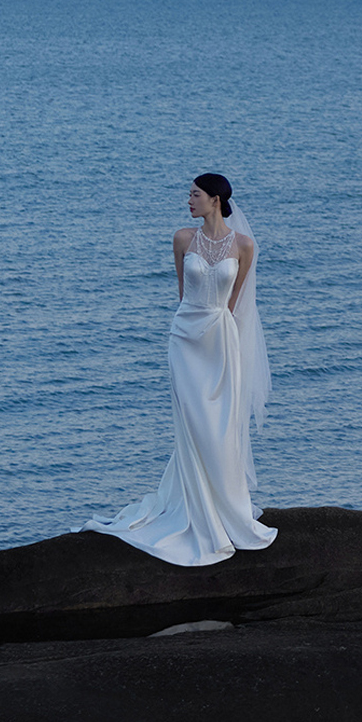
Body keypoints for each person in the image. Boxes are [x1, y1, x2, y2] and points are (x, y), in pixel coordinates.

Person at [83, 172, 278, 566]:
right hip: (185, 340)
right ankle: (194, 508)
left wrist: (232, 347)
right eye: (190, 194)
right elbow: (182, 291)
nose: (189, 200)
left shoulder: (244, 245)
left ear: (216, 200)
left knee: (220, 427)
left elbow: (236, 301)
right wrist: (189, 328)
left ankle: (227, 507)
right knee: (192, 425)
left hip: (221, 341)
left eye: (196, 194)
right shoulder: (182, 239)